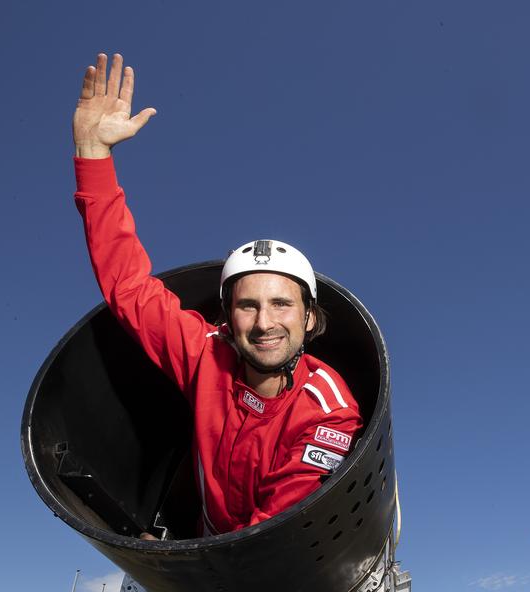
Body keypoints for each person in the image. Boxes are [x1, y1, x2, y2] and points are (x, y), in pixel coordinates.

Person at [72, 53, 362, 536]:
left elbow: (275, 528)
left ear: (310, 318)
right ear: (227, 316)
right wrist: (92, 155)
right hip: (213, 551)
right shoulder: (206, 353)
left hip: (264, 562)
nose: (264, 322)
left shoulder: (329, 408)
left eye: (282, 304)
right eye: (248, 304)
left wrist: (186, 569)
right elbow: (127, 285)